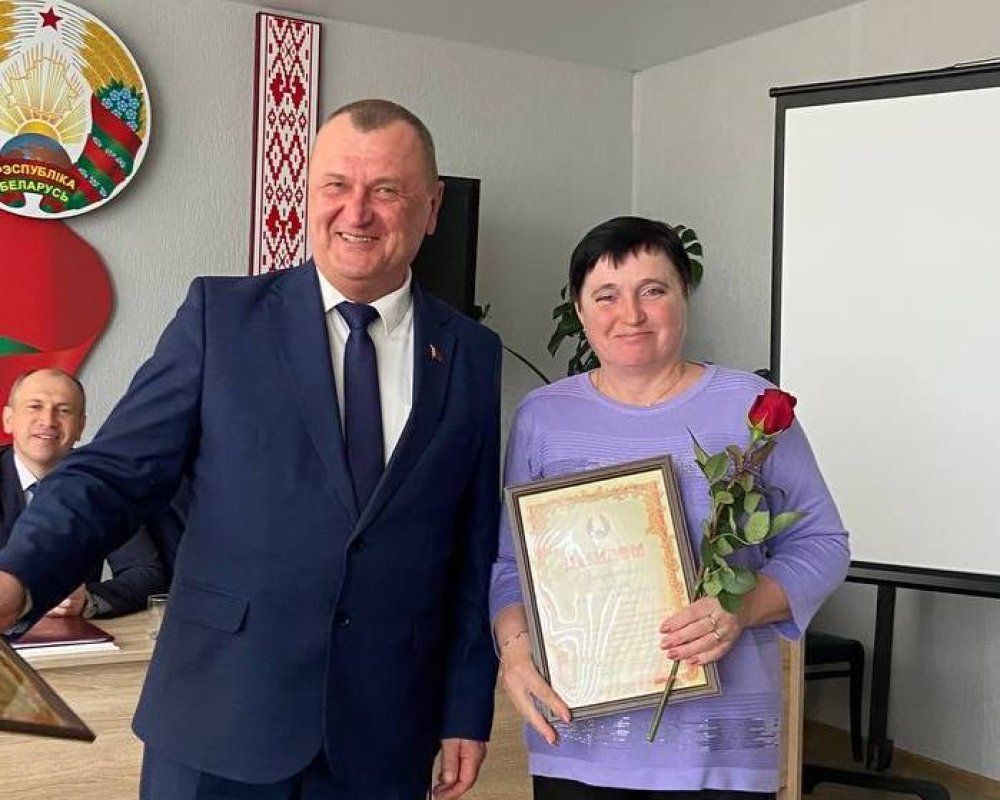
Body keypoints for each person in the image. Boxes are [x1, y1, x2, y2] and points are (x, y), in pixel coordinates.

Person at [0, 99, 502, 800]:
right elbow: (114, 474)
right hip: (218, 722)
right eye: (336, 186)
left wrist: (465, 707)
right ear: (309, 193)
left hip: (382, 734)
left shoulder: (472, 353)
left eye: (386, 190)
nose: (356, 212)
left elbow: (473, 547)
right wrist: (18, 575)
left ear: (433, 205)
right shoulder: (221, 318)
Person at [490, 216, 850, 799]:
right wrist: (513, 649)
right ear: (580, 310)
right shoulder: (543, 417)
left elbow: (822, 543)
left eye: (652, 290)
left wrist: (740, 608)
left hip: (720, 746)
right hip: (577, 738)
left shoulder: (750, 407)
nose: (630, 314)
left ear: (685, 295)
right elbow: (512, 563)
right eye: (606, 296)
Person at [1, 368, 168, 619]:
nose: (48, 421)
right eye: (35, 407)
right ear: (8, 419)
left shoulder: (104, 481)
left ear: (80, 426)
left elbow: (146, 572)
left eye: (64, 410)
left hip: (74, 635)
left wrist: (88, 600)